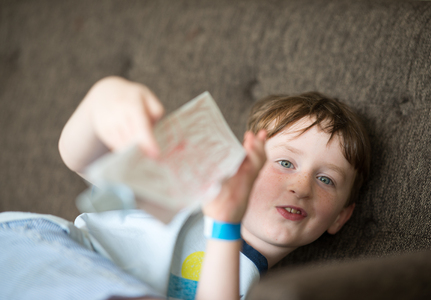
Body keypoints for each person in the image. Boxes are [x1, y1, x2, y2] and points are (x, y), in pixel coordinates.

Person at [0, 76, 371, 300]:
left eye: (326, 179)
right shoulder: (193, 189)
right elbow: (78, 157)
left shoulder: (246, 286)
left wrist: (225, 225)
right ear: (241, 162)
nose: (301, 186)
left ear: (340, 216)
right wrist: (105, 99)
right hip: (32, 251)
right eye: (285, 163)